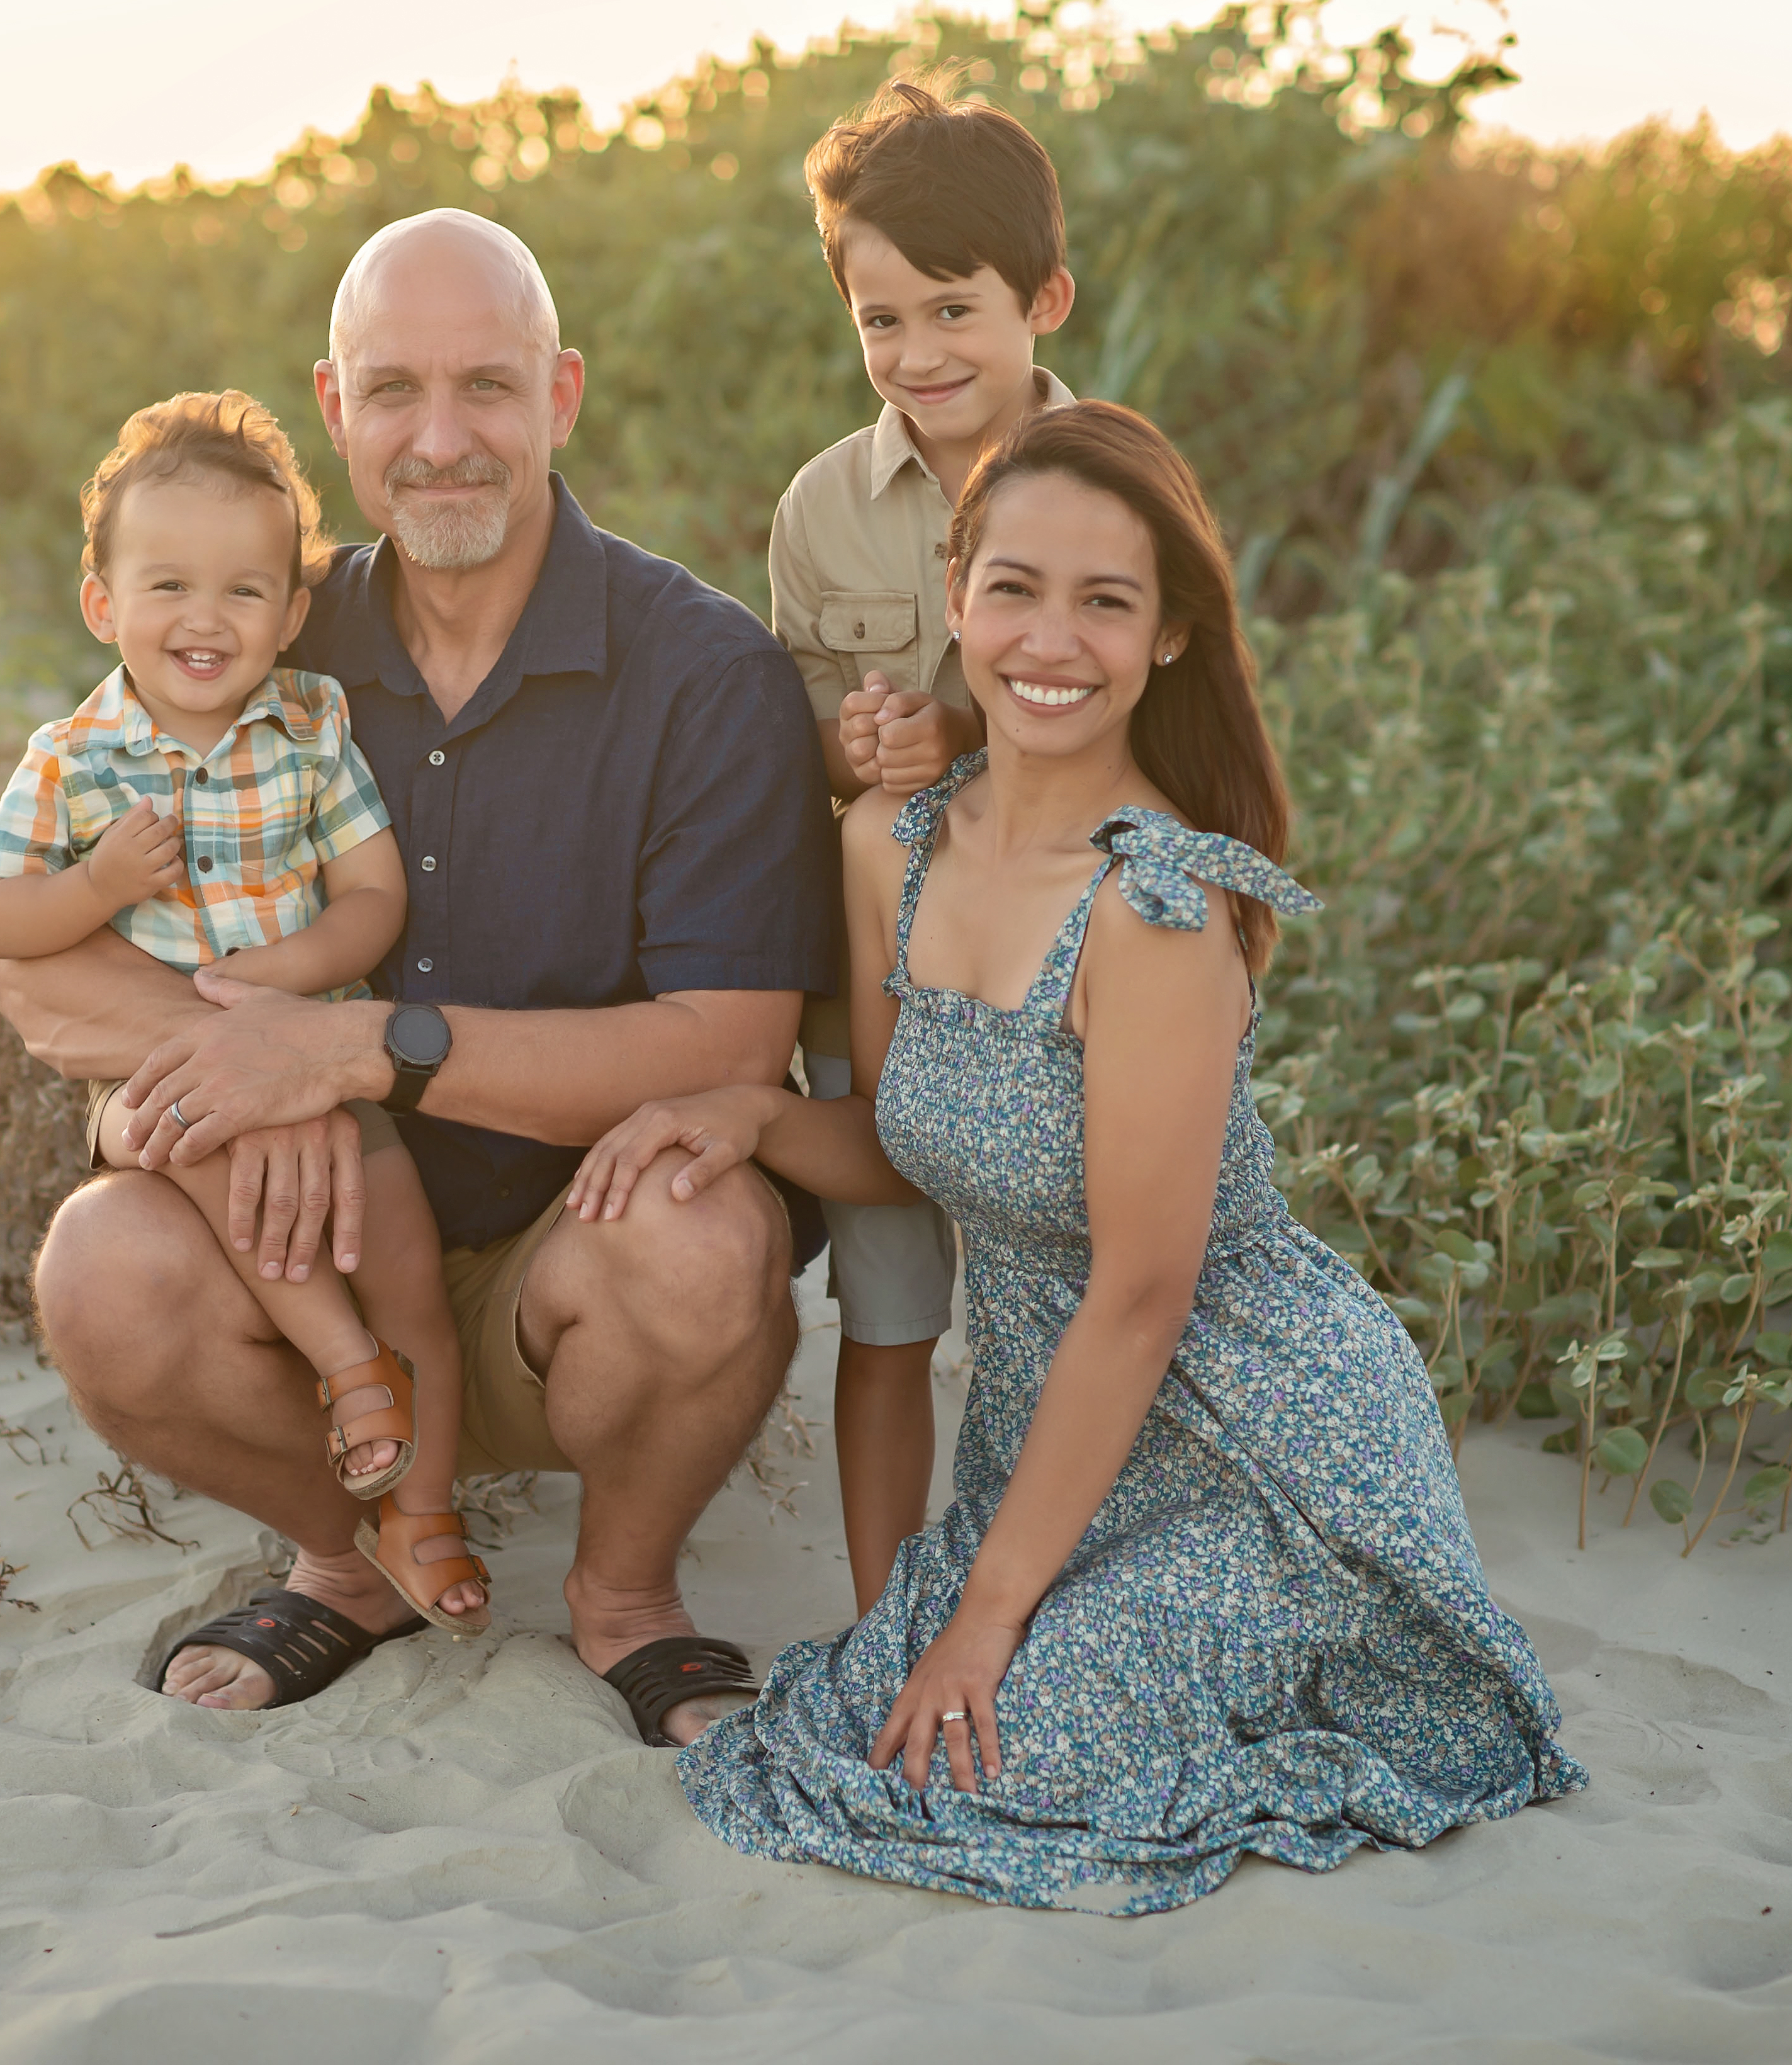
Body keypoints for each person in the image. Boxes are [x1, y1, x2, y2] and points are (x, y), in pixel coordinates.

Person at [566, 400, 1586, 1913]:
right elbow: (911, 1144)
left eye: (1106, 600)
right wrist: (754, 1116)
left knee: (997, 1741)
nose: (1053, 639)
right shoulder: (888, 845)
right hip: (1056, 1437)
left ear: (1169, 634)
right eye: (1016, 588)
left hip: (1261, 1438)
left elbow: (1139, 1293)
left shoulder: (1157, 907)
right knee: (872, 1722)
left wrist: (985, 1618)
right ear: (959, 598)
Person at [0, 210, 839, 1748]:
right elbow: (15, 961)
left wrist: (365, 1048)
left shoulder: (704, 677)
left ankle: (626, 1594)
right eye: (395, 393)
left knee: (708, 1239)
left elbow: (729, 1041)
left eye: (487, 389)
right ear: (334, 407)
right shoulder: (248, 625)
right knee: (100, 1267)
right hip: (300, 1256)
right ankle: (351, 1553)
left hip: (574, 1266)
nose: (443, 442)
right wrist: (259, 1067)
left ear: (561, 396)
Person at [0, 390, 486, 1638]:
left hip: (320, 1060)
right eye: (167, 587)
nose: (205, 618)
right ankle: (348, 1370)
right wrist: (95, 886)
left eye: (245, 591)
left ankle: (423, 1510)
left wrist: (281, 989)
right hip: (174, 1085)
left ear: (292, 613)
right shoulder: (73, 759)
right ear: (103, 603)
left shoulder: (312, 727)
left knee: (403, 1266)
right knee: (241, 1191)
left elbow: (370, 898)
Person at [769, 80, 1079, 1612]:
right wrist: (865, 744)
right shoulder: (822, 509)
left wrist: (966, 734)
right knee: (887, 1318)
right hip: (877, 984)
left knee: (1064, 1315)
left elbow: (1171, 736)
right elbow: (813, 742)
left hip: (1064, 983)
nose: (918, 355)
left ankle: (1053, 1599)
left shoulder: (1118, 486)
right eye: (879, 319)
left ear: (1043, 300)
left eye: (952, 308)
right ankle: (889, 1618)